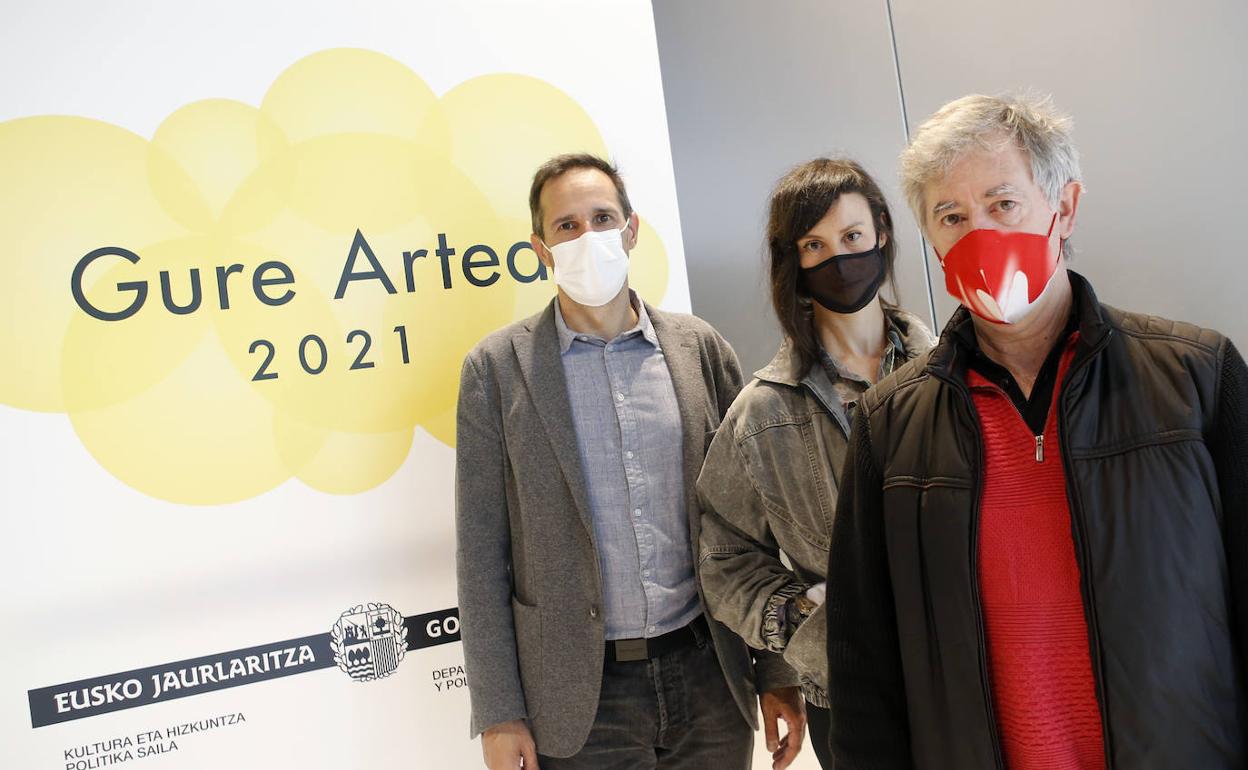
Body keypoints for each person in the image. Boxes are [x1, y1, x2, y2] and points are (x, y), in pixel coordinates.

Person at [825, 92, 1248, 769]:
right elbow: (863, 662)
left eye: (1003, 204)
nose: (979, 234)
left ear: (1065, 207)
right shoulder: (889, 426)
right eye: (952, 216)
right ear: (931, 241)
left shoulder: (1197, 378)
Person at [455, 153, 806, 770]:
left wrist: (776, 668)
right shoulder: (497, 370)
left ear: (632, 229)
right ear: (541, 250)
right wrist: (499, 711)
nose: (587, 237)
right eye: (566, 226)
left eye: (602, 218)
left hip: (709, 674)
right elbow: (482, 554)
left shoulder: (700, 349)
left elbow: (755, 523)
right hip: (581, 700)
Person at [697, 158, 935, 770]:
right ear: (793, 261)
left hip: (970, 673)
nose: (840, 259)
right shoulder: (763, 411)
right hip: (849, 698)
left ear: (882, 232)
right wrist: (803, 620)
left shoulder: (954, 374)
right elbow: (724, 557)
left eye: (852, 236)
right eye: (815, 245)